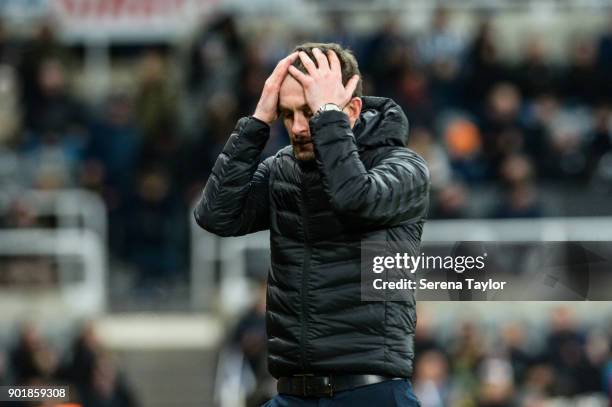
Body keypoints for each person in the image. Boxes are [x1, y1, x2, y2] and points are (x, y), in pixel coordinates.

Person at [194, 42, 429, 406]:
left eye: (310, 111)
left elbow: (355, 199)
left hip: (372, 393)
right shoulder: (283, 168)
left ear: (351, 109)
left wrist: (329, 118)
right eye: (287, 114)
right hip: (291, 394)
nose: (299, 127)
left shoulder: (404, 168)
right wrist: (257, 121)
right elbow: (215, 215)